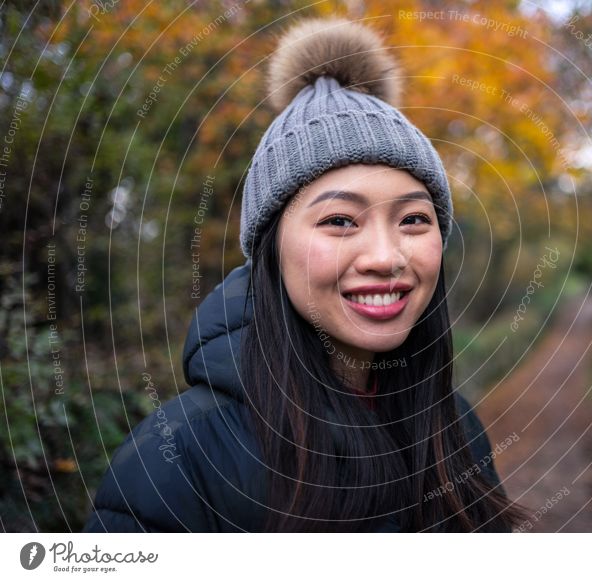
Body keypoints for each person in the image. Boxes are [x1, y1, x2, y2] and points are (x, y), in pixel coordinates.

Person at [84, 16, 531, 532]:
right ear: (270, 249)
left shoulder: (453, 425)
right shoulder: (178, 458)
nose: (386, 257)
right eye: (339, 220)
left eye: (413, 219)